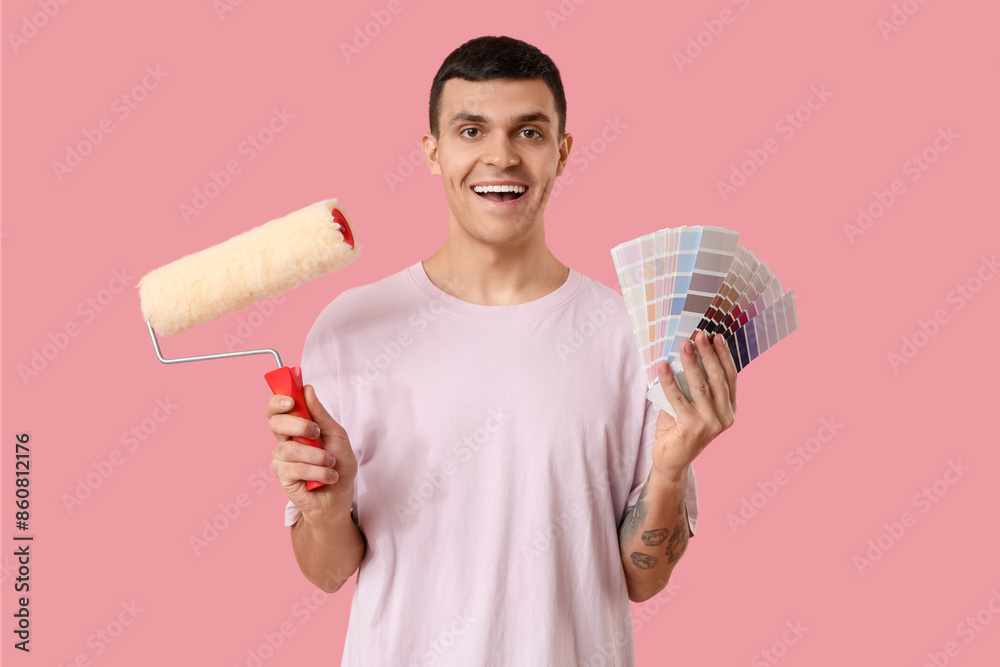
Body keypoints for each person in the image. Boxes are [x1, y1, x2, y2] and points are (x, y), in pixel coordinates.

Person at [265, 35, 737, 666]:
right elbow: (326, 574)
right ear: (431, 151)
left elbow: (642, 578)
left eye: (530, 133)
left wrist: (673, 468)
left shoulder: (632, 334)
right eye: (470, 130)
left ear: (563, 152)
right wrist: (326, 510)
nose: (500, 156)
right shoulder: (352, 327)